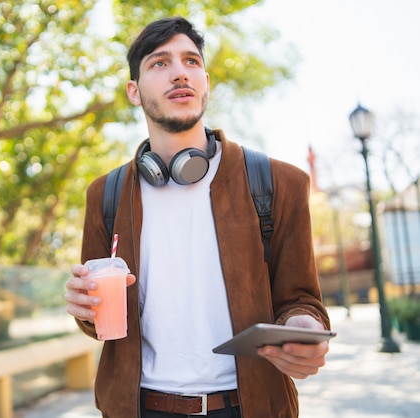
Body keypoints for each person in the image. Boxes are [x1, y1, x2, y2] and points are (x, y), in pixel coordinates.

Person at [65, 16, 330, 418]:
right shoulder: (106, 195)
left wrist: (305, 330)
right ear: (134, 92)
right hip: (139, 408)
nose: (179, 73)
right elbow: (99, 322)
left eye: (191, 62)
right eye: (159, 63)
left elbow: (302, 301)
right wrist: (84, 309)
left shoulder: (278, 183)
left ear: (206, 83)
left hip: (250, 407)